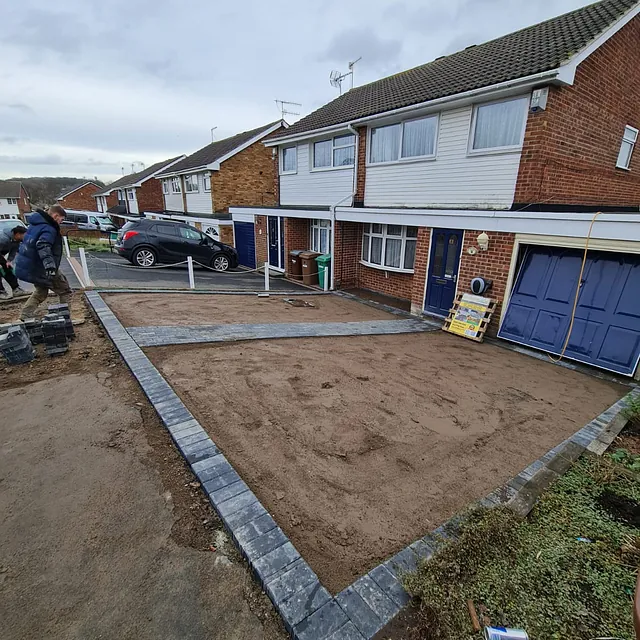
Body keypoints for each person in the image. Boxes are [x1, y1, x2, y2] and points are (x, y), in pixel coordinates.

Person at [15, 205, 72, 321]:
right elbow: (42, 245)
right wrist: (50, 265)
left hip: (34, 265)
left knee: (41, 291)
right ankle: (65, 318)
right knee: (65, 290)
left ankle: (25, 315)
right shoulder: (48, 228)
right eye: (61, 219)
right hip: (44, 267)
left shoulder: (35, 224)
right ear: (55, 216)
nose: (61, 222)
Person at [0, 225, 29, 300]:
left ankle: (16, 289)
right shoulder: (3, 239)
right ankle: (1, 292)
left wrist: (9, 261)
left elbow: (13, 250)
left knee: (7, 268)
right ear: (18, 234)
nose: (25, 238)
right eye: (24, 236)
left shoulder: (16, 240)